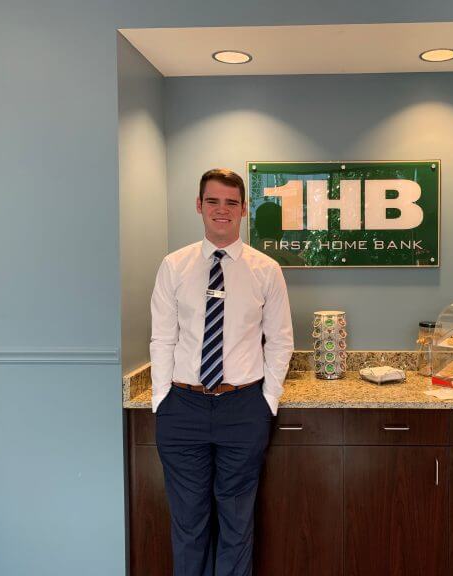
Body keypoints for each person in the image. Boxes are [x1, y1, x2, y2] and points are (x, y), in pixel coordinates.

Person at [150, 168, 294, 576]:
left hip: (243, 407)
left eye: (231, 203)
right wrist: (162, 399)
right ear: (199, 206)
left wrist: (268, 400)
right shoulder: (173, 266)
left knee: (236, 524)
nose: (222, 210)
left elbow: (281, 340)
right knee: (188, 525)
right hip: (182, 408)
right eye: (213, 201)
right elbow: (162, 338)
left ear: (244, 210)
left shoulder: (266, 270)